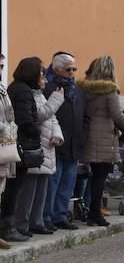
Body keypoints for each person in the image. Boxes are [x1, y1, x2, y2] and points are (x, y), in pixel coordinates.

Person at [79, 56, 124, 226]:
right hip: (103, 138)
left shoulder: (85, 88)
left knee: (91, 176)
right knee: (100, 178)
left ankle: (89, 210)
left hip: (89, 134)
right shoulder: (109, 90)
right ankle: (95, 213)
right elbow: (116, 115)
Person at [15, 63, 64, 236]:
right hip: (35, 145)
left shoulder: (40, 95)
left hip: (47, 146)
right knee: (28, 190)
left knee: (41, 188)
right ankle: (23, 223)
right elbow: (40, 114)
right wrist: (56, 100)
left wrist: (57, 134)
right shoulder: (29, 95)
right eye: (42, 76)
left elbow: (53, 119)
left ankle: (37, 220)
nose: (45, 80)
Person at [1, 58, 46, 241]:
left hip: (14, 143)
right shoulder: (23, 91)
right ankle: (7, 228)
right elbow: (24, 119)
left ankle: (8, 227)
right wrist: (37, 132)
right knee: (13, 188)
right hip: (19, 145)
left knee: (11, 187)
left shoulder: (13, 88)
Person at [43, 53, 89, 230]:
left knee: (68, 182)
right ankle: (47, 216)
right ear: (56, 70)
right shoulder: (50, 89)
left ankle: (61, 215)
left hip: (74, 143)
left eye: (74, 69)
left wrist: (83, 135)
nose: (72, 72)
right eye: (68, 69)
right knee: (53, 182)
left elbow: (85, 116)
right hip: (56, 143)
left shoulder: (77, 90)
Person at [0, 54, 15, 248]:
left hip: (4, 145)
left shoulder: (3, 90)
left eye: (2, 66)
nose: (0, 70)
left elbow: (10, 116)